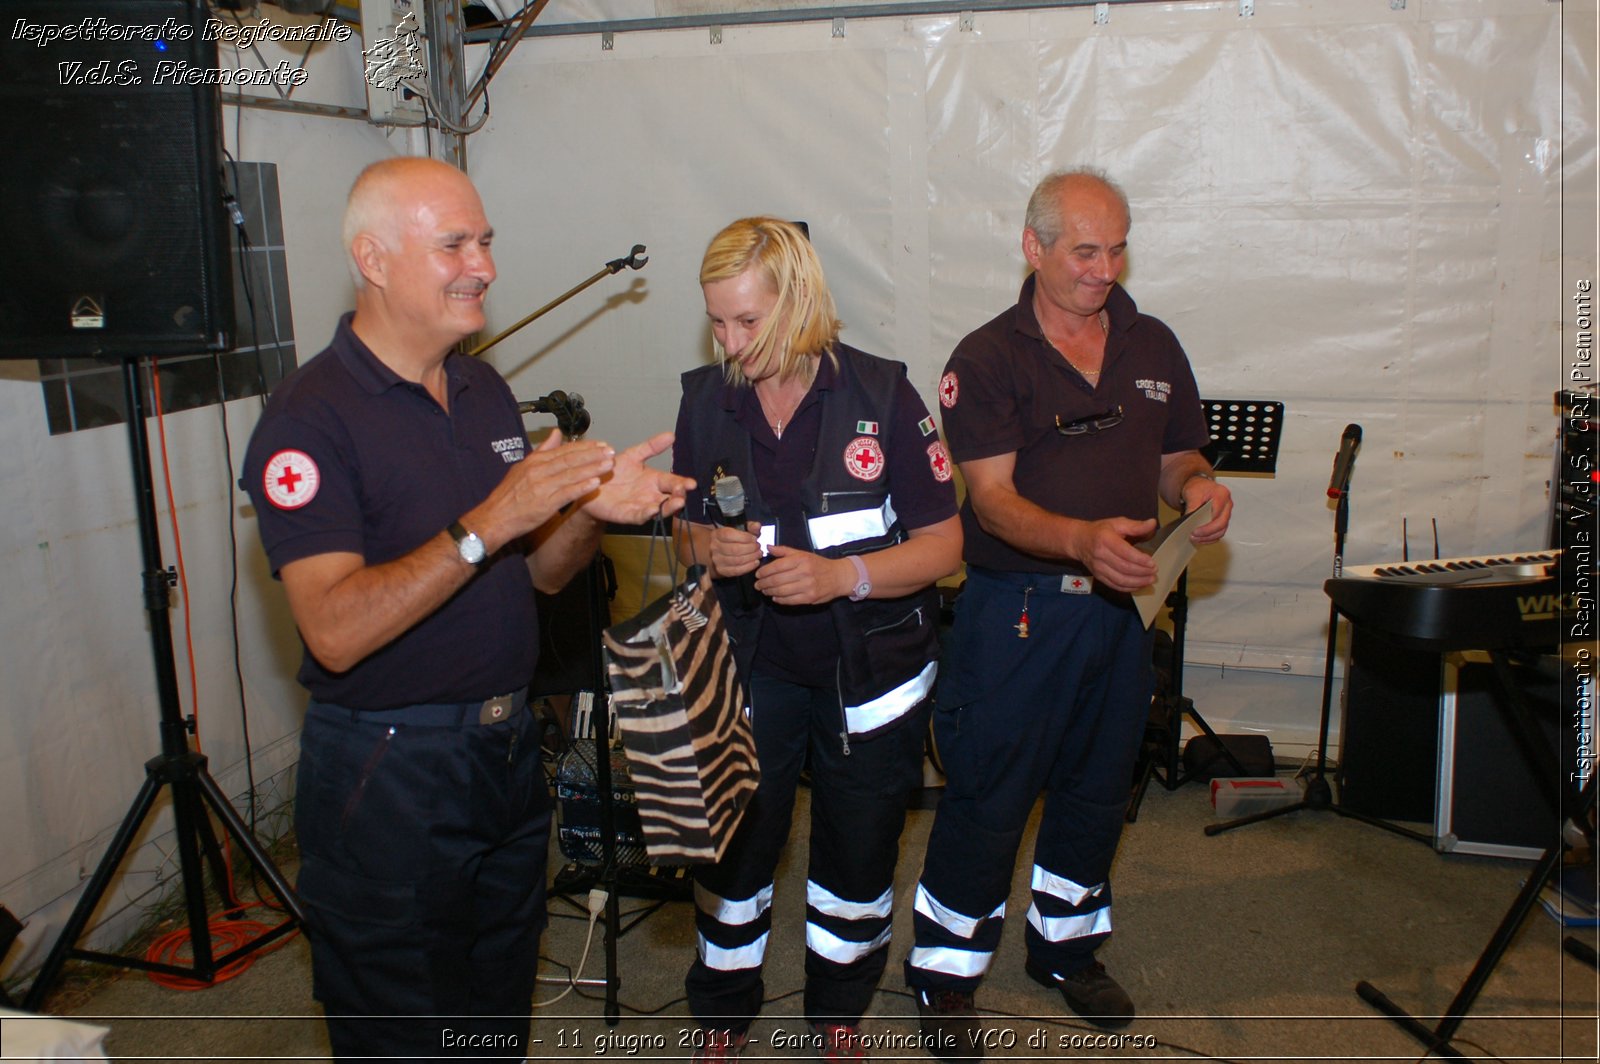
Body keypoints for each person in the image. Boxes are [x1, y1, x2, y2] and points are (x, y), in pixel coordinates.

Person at [240, 156, 692, 1061]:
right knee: (403, 1030)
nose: (482, 264)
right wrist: (496, 516)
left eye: (484, 241)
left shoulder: (482, 386)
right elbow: (333, 630)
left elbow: (537, 578)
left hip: (505, 755)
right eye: (454, 243)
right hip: (390, 772)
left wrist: (581, 517)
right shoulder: (309, 419)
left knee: (491, 1021)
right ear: (373, 258)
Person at [903, 169, 1233, 1055]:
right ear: (1033, 247)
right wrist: (1082, 540)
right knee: (990, 796)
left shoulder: (1151, 342)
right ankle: (945, 973)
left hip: (1121, 613)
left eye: (1118, 247)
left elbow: (1174, 456)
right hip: (1017, 614)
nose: (1105, 268)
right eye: (1085, 250)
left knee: (1096, 791)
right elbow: (994, 503)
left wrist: (1197, 483)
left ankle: (1066, 949)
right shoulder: (986, 358)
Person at [671, 217, 963, 1061]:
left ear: (797, 301)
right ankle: (722, 1013)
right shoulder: (705, 399)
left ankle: (839, 1006)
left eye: (747, 321)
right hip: (752, 666)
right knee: (734, 850)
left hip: (870, 671)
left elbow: (947, 547)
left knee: (860, 847)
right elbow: (684, 531)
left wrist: (845, 577)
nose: (731, 341)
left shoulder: (882, 396)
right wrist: (707, 547)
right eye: (717, 321)